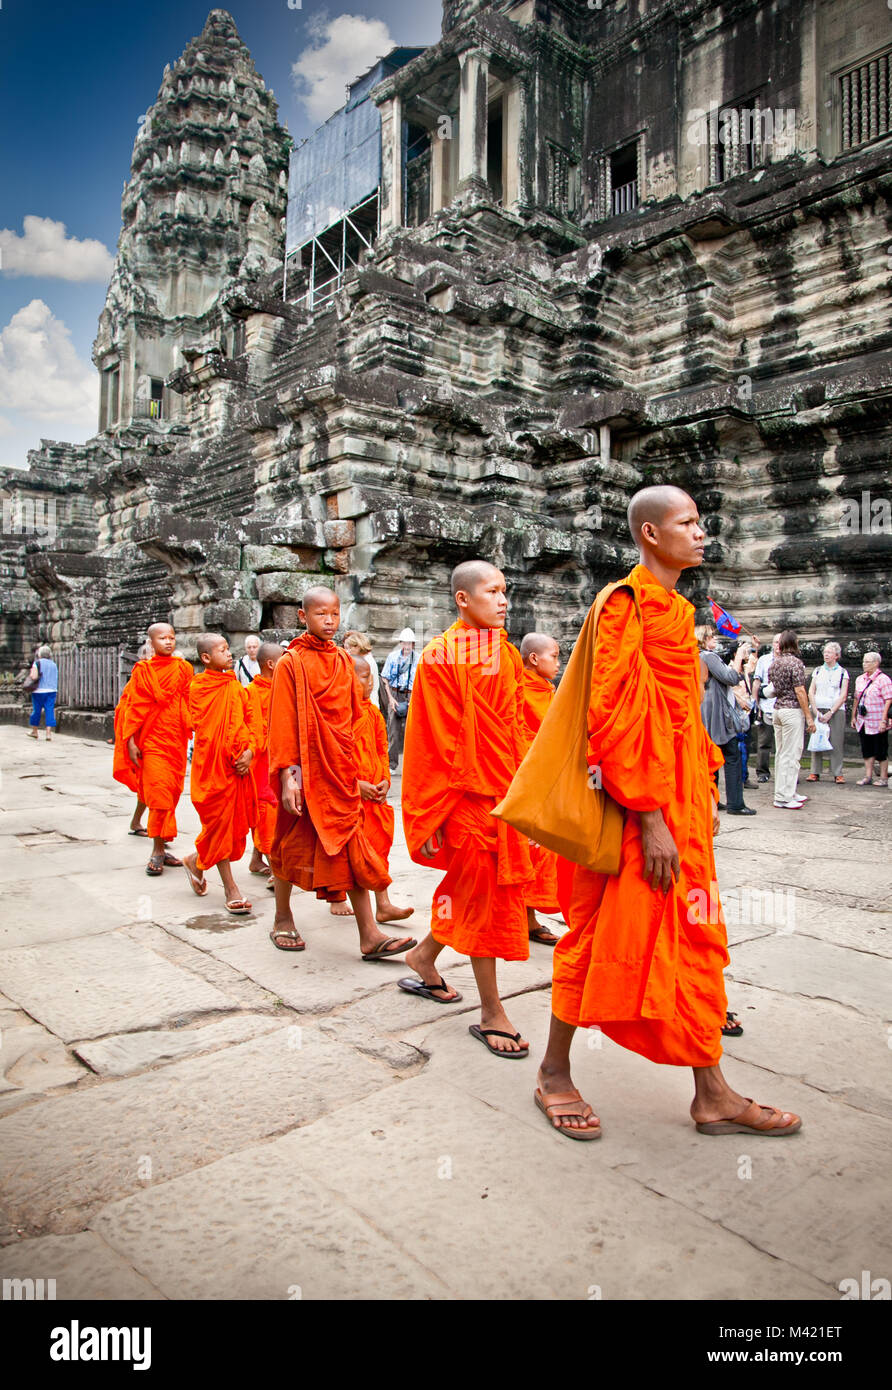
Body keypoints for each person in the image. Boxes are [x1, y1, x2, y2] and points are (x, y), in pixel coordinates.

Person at [535, 484, 801, 1140]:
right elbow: (615, 718)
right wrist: (650, 816)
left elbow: (679, 721)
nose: (701, 532)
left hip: (678, 805)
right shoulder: (622, 605)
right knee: (598, 938)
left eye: (701, 521)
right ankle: (553, 1072)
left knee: (693, 941)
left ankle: (711, 1092)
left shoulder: (679, 612)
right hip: (635, 814)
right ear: (652, 534)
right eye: (688, 522)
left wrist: (702, 792)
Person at [399, 560, 535, 1050]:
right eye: (493, 592)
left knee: (477, 891)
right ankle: (492, 1009)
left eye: (506, 591)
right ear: (463, 599)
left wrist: (529, 791)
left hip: (504, 791)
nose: (504, 601)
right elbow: (429, 742)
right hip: (466, 799)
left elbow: (517, 725)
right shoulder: (440, 656)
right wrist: (431, 811)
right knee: (483, 894)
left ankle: (422, 956)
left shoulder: (507, 652)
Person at [265, 585, 417, 960]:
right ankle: (283, 917)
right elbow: (282, 723)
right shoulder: (291, 663)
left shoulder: (341, 662)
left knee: (351, 845)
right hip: (305, 772)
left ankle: (369, 934)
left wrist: (356, 770)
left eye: (334, 614)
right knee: (289, 847)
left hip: (338, 770)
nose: (329, 621)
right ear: (303, 617)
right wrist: (288, 777)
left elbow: (352, 721)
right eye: (320, 614)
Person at [330, 654, 414, 924]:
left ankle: (383, 904)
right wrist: (356, 786)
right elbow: (331, 762)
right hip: (349, 797)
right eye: (364, 677)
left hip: (375, 798)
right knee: (351, 853)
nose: (370, 684)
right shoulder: (336, 718)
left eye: (371, 678)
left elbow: (381, 751)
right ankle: (337, 896)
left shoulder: (373, 714)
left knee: (377, 849)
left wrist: (386, 781)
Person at [182, 633, 258, 913]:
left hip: (239, 768)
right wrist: (229, 753)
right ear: (205, 658)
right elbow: (202, 728)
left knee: (229, 826)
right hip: (213, 768)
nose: (230, 654)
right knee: (217, 825)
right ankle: (230, 888)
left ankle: (195, 860)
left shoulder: (237, 689)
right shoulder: (198, 688)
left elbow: (251, 724)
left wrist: (249, 752)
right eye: (223, 650)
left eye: (229, 649)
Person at [113, 623, 192, 875]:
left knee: (170, 793)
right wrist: (131, 741)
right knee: (158, 794)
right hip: (151, 741)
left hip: (176, 740)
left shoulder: (184, 669)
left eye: (171, 637)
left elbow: (191, 701)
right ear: (151, 642)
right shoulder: (143, 672)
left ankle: (160, 842)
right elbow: (132, 707)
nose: (168, 642)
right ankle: (157, 850)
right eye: (162, 638)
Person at [519, 632, 563, 946]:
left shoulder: (547, 689)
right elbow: (521, 739)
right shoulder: (519, 690)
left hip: (549, 784)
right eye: (555, 656)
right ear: (534, 659)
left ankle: (529, 915)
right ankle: (524, 918)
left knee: (542, 855)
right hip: (526, 785)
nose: (559, 664)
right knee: (526, 853)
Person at [696, 626, 755, 816]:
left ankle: (713, 799)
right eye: (712, 636)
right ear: (704, 639)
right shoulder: (707, 656)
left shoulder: (695, 655)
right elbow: (730, 678)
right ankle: (735, 803)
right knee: (731, 756)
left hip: (704, 710)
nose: (715, 639)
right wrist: (738, 657)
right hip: (716, 714)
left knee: (711, 757)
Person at [245, 641, 283, 877]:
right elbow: (253, 729)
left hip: (279, 758)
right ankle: (276, 869)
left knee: (273, 809)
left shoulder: (279, 689)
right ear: (271, 664)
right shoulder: (252, 693)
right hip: (261, 761)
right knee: (267, 809)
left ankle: (256, 859)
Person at [768, 631, 816, 810]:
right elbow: (800, 691)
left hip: (778, 708)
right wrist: (809, 716)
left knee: (782, 754)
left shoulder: (775, 663)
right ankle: (784, 796)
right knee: (791, 754)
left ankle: (787, 791)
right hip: (791, 710)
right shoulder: (795, 663)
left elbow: (772, 688)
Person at [115, 639, 153, 836]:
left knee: (152, 787)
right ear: (141, 658)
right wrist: (130, 741)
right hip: (142, 739)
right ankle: (157, 834)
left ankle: (137, 821)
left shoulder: (166, 673)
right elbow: (127, 711)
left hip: (160, 737)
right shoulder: (138, 678)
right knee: (152, 786)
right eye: (149, 654)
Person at [807, 642, 850, 784]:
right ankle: (814, 771)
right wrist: (815, 710)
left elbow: (843, 695)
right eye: (825, 652)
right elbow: (811, 691)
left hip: (836, 709)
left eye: (830, 653)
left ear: (836, 656)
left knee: (836, 741)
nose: (826, 655)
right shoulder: (818, 670)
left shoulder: (843, 672)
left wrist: (831, 712)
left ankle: (837, 772)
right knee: (816, 739)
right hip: (818, 708)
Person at [851, 651, 892, 786]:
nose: (864, 664)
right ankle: (868, 776)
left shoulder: (883, 679)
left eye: (867, 662)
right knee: (866, 748)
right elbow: (857, 698)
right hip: (864, 720)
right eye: (863, 661)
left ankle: (884, 777)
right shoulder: (860, 679)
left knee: (880, 748)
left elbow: (888, 700)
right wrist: (854, 715)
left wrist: (884, 719)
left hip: (877, 719)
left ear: (876, 663)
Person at [381, 628, 419, 771]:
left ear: (413, 644)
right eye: (405, 643)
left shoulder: (418, 658)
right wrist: (390, 698)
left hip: (411, 694)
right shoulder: (393, 657)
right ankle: (392, 764)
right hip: (395, 693)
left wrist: (413, 698)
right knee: (393, 730)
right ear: (401, 643)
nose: (407, 646)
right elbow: (385, 678)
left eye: (410, 643)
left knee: (413, 730)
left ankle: (413, 763)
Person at [751, 633, 781, 783]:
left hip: (783, 706)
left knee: (785, 743)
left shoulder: (790, 661)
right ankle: (762, 772)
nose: (778, 645)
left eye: (780, 642)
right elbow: (757, 682)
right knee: (764, 742)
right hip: (766, 706)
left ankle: (785, 773)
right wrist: (755, 703)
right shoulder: (764, 660)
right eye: (775, 642)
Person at [25, 644, 58, 741]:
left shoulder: (37, 663)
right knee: (49, 710)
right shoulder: (53, 664)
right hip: (51, 690)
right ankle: (48, 733)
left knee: (37, 710)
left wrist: (31, 673)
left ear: (39, 654)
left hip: (39, 690)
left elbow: (34, 677)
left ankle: (35, 731)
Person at [343, 631, 380, 708]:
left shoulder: (366, 661)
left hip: (368, 702)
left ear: (358, 646)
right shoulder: (364, 659)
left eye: (350, 648)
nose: (348, 651)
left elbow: (369, 685)